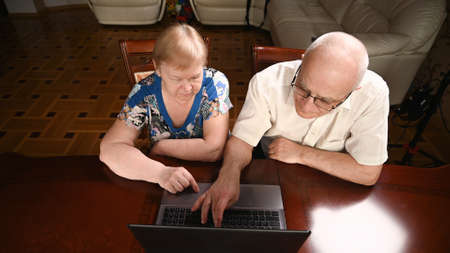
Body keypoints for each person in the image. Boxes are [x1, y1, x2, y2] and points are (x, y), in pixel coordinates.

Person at [192, 32, 389, 227]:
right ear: (302, 60)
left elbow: (367, 172)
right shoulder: (266, 81)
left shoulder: (374, 93)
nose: (306, 106)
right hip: (272, 169)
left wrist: (301, 154)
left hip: (333, 184)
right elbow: (242, 141)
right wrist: (229, 175)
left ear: (355, 89)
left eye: (324, 101)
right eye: (302, 88)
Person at [99, 23, 232, 194]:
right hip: (166, 173)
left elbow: (214, 149)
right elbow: (109, 148)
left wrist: (162, 147)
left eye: (195, 76)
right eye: (177, 79)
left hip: (213, 174)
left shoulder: (215, 83)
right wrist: (159, 173)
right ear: (158, 68)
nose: (187, 88)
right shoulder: (144, 92)